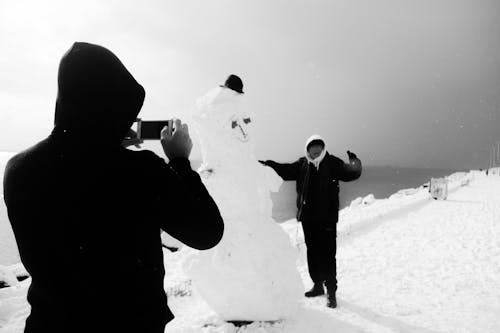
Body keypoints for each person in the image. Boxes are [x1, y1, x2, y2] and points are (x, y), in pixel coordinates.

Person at [3, 42, 224, 333]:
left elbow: (77, 179)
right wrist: (180, 161)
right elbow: (207, 232)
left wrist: (106, 140)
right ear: (116, 105)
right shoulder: (142, 171)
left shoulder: (18, 169)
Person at [259, 135, 362, 308]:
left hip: (327, 218)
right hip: (308, 218)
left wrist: (355, 161)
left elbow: (352, 173)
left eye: (318, 150)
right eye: (312, 150)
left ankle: (331, 291)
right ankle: (317, 285)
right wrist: (267, 164)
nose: (315, 153)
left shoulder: (332, 163)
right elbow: (284, 170)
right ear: (307, 151)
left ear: (323, 149)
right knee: (313, 254)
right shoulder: (302, 165)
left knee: (328, 255)